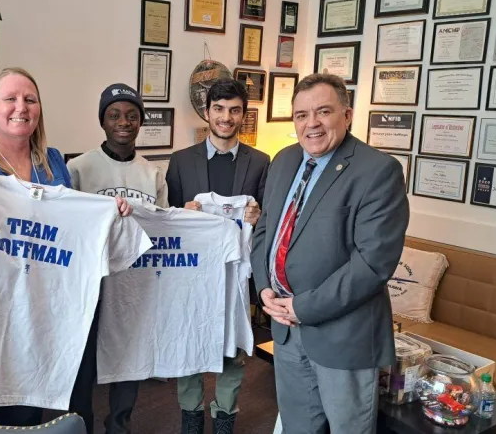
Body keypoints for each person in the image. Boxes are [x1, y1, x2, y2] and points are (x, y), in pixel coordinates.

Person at [0, 67, 131, 430]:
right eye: (10, 99)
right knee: (17, 404)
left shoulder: (52, 162)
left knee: (78, 395)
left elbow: (67, 224)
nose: (21, 107)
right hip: (6, 303)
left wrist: (109, 213)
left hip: (58, 296)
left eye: (30, 100)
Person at [250, 73, 409, 434]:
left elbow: (372, 264)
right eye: (302, 115)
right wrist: (264, 290)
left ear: (347, 115)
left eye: (323, 111)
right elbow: (265, 231)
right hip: (286, 329)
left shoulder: (378, 171)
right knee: (297, 427)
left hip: (343, 336)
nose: (312, 124)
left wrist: (302, 307)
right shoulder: (284, 160)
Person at [166, 78, 270, 434]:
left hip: (235, 275)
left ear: (244, 115)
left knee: (232, 351)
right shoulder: (180, 161)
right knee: (189, 346)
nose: (226, 117)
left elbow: (268, 221)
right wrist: (183, 211)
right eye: (219, 109)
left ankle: (225, 416)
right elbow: (169, 221)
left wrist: (258, 217)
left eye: (235, 110)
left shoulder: (260, 161)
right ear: (207, 111)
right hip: (193, 275)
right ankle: (190, 418)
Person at [66, 83, 167, 434]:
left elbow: (163, 227)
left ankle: (119, 426)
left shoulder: (152, 173)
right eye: (114, 115)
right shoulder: (78, 168)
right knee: (85, 363)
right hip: (90, 283)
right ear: (103, 121)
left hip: (133, 284)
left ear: (140, 121)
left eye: (131, 115)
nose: (123, 122)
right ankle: (81, 424)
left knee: (128, 360)